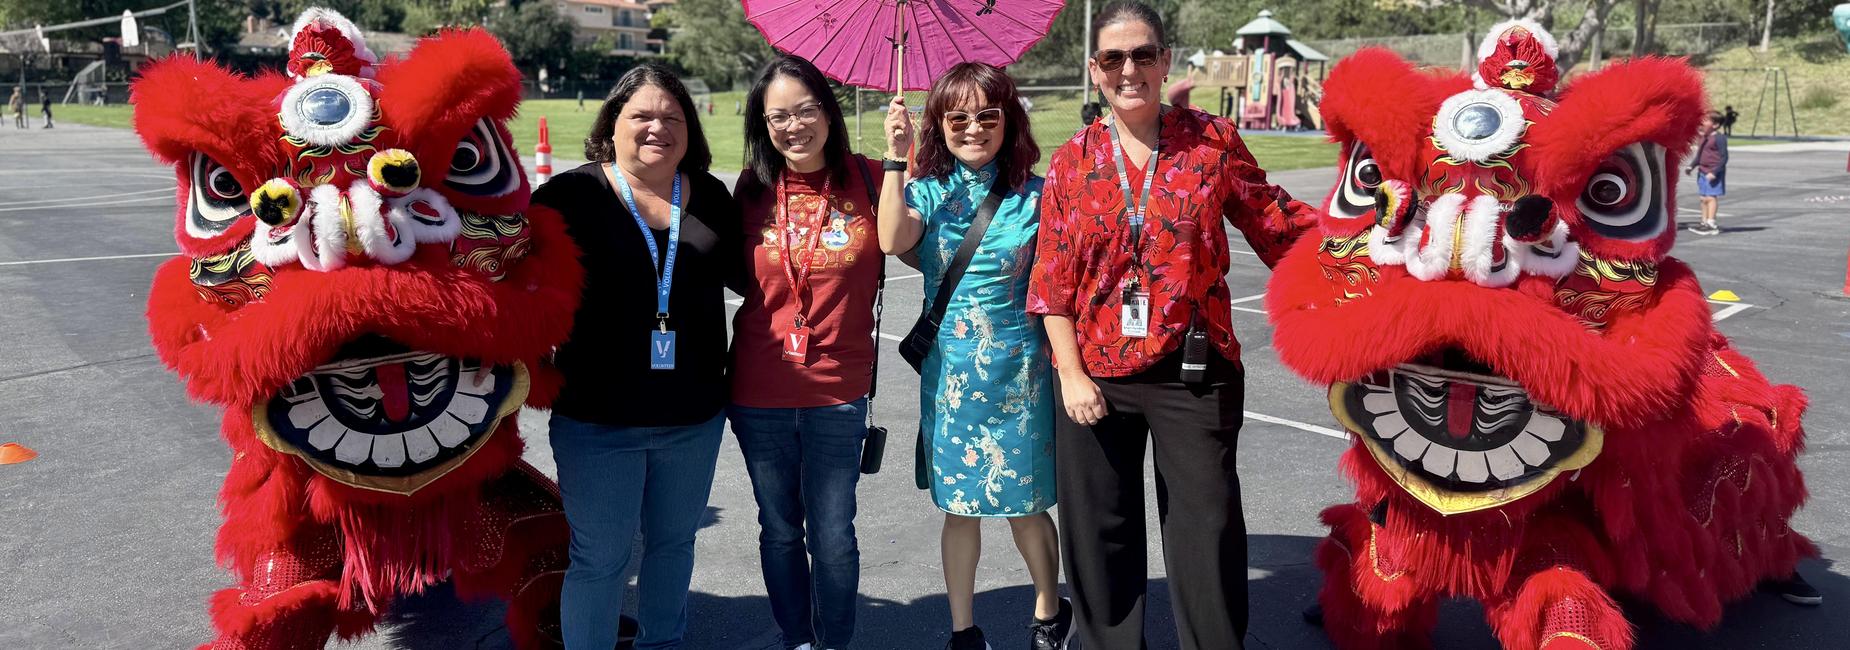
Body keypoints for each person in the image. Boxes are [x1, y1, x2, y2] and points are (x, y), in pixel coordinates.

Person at [1026, 2, 1315, 648]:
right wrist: (1070, 374)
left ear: (1165, 61)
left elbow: (1277, 224)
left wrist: (1370, 253)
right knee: (1101, 540)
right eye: (1112, 58)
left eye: (1142, 55)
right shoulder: (1073, 161)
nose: (1129, 70)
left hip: (1194, 371)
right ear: (1095, 71)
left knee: (1205, 533)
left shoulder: (1211, 142)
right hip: (1095, 378)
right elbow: (1050, 284)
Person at [532, 62, 740, 650]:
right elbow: (517, 282)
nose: (657, 128)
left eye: (672, 117)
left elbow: (756, 277)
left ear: (690, 128)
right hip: (598, 420)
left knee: (674, 545)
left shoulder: (712, 195)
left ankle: (662, 643)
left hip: (693, 417)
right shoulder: (570, 196)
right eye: (641, 115)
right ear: (613, 124)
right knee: (600, 558)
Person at [877, 62, 1074, 650]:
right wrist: (895, 156)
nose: (972, 128)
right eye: (956, 116)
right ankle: (963, 630)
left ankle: (1047, 611)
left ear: (1008, 121)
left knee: (1027, 506)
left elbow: (1063, 284)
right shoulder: (928, 190)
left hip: (1022, 375)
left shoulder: (1038, 195)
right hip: (952, 376)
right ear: (938, 124)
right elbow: (891, 240)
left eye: (987, 115)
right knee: (959, 508)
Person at [729, 53, 883, 650]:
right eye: (777, 118)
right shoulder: (750, 190)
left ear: (828, 111)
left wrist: (900, 154)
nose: (793, 126)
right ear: (762, 126)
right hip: (757, 390)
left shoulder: (869, 178)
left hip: (838, 394)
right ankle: (796, 637)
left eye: (805, 110)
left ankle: (834, 643)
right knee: (779, 531)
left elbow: (926, 224)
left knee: (834, 535)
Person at [1688, 110, 1728, 236]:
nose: (1702, 122)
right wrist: (1691, 166)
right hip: (1702, 171)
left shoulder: (1719, 138)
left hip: (1712, 172)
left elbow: (1724, 158)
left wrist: (1715, 172)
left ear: (1715, 125)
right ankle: (1704, 222)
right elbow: (1700, 155)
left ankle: (1711, 223)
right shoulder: (1704, 138)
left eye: (1706, 120)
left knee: (1711, 198)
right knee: (1703, 198)